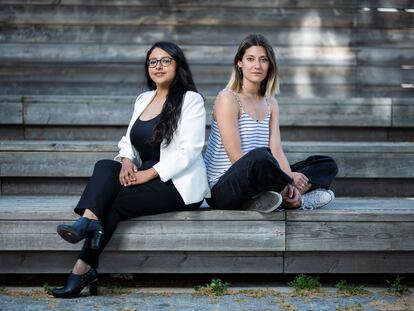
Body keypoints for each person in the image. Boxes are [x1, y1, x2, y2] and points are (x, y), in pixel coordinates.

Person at [52, 41, 210, 298]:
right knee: (105, 165)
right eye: (153, 61)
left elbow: (189, 151)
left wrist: (146, 174)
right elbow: (129, 141)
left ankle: (82, 265)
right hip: (142, 175)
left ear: (178, 65)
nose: (158, 66)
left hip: (177, 185)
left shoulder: (190, 100)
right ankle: (87, 227)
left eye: (165, 60)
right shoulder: (143, 99)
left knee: (112, 203)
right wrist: (126, 161)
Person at [204, 34, 338, 213]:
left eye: (263, 60)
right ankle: (293, 198)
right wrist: (287, 179)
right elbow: (236, 157)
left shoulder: (271, 103)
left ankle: (279, 199)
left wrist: (288, 175)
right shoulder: (228, 98)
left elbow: (277, 150)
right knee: (261, 157)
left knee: (326, 164)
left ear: (270, 65)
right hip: (223, 188)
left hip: (263, 176)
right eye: (250, 59)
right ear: (239, 63)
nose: (257, 66)